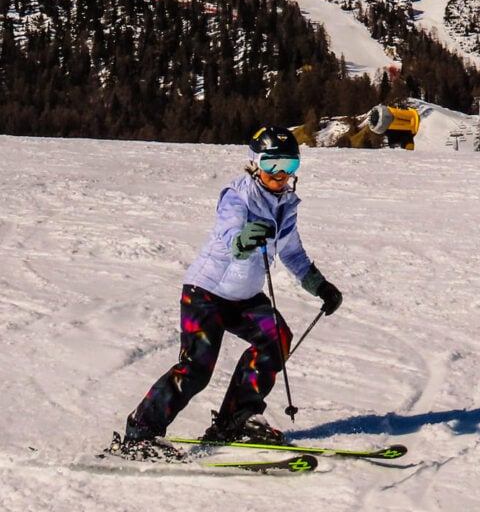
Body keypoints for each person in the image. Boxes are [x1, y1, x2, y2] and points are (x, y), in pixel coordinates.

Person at [119, 125, 342, 458]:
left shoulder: (286, 205)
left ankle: (236, 420)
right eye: (271, 165)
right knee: (197, 368)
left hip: (245, 297)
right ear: (255, 164)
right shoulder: (237, 196)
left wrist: (318, 285)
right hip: (206, 293)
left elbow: (291, 252)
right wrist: (242, 240)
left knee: (276, 337)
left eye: (289, 165)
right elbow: (229, 232)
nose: (280, 175)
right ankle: (140, 433)